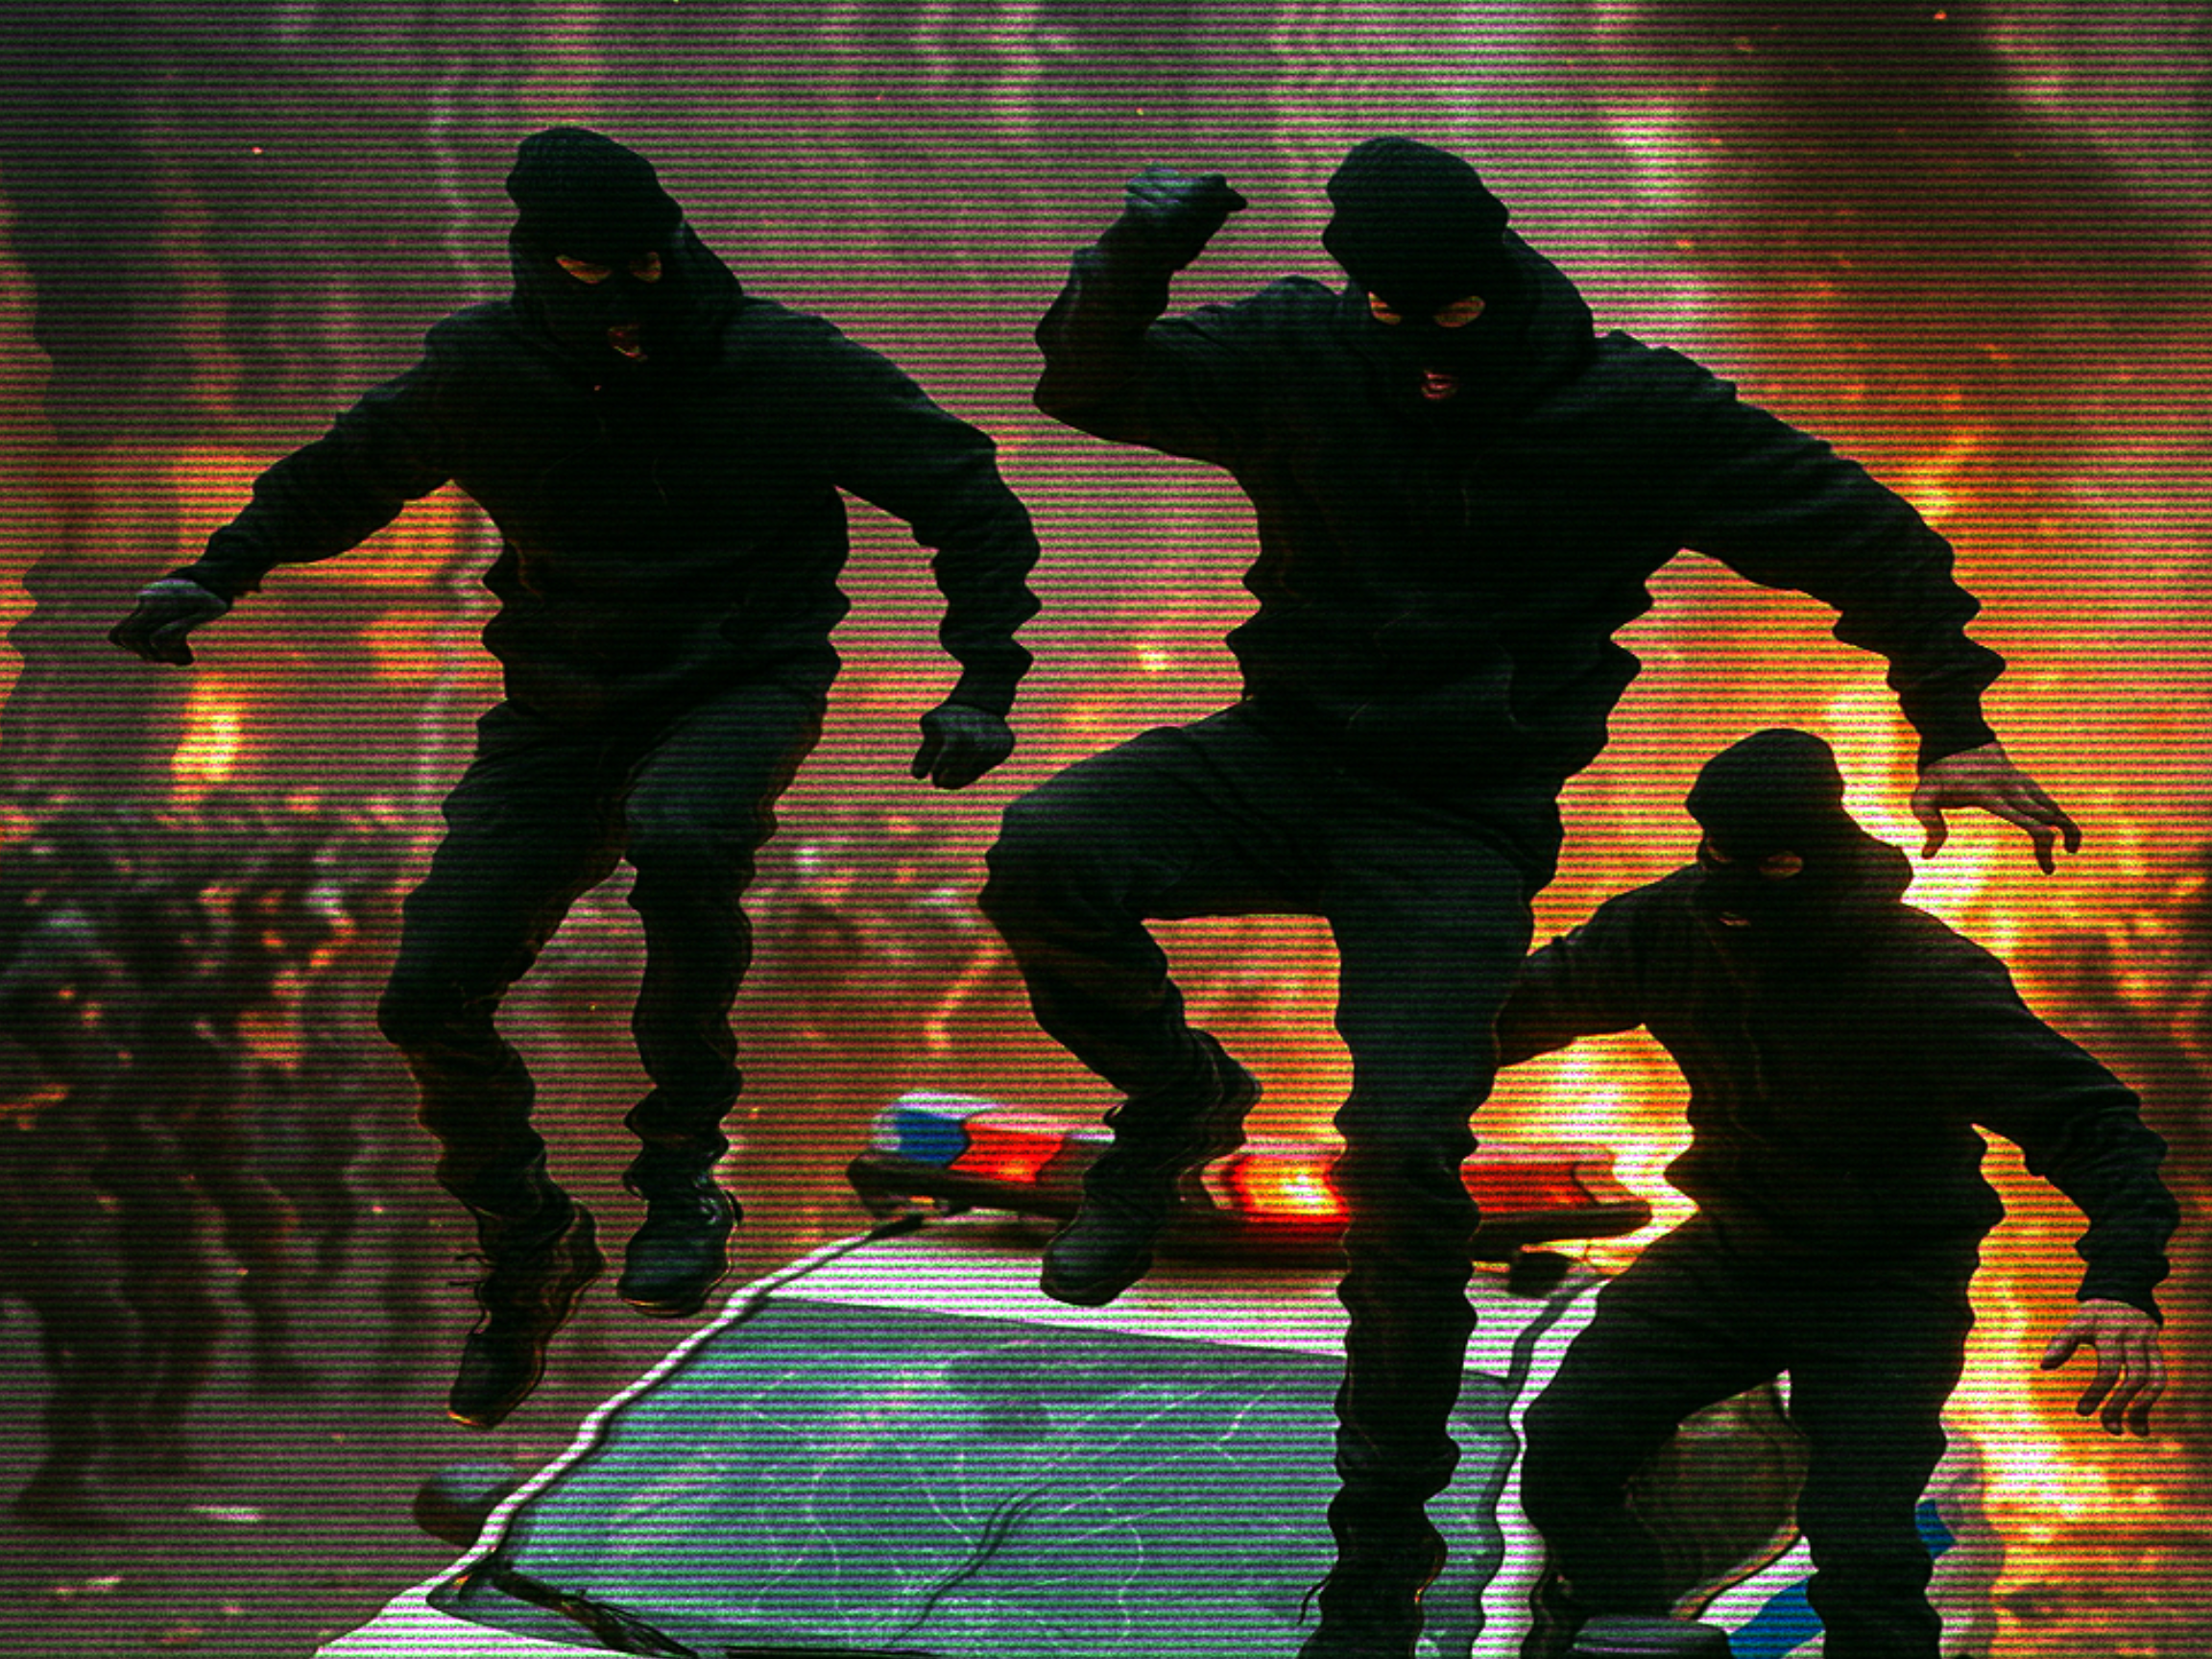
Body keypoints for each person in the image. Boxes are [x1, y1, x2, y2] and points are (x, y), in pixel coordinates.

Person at [979, 136, 2080, 1657]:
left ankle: (1377, 1572)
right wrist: (1136, 253)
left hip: (1451, 820)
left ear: (1499, 274)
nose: (1429, 355)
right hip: (1276, 753)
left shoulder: (1635, 412)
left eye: (1456, 319)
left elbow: (1876, 542)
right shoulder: (1305, 345)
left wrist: (1950, 720)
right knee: (1046, 854)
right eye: (1396, 318)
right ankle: (1175, 1100)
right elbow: (1086, 385)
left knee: (1407, 1144)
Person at [108, 127, 1042, 1430]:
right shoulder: (481, 368)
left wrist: (985, 676)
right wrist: (218, 569)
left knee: (682, 836)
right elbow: (346, 474)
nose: (627, 307)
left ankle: (681, 1174)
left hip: (740, 676)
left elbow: (967, 493)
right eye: (591, 278)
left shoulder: (783, 359)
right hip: (557, 706)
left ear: (675, 245)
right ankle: (529, 1241)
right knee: (429, 992)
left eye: (646, 269)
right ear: (542, 268)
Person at [1495, 729, 2176, 1659]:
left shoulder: (1928, 979)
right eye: (1715, 859)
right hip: (1733, 1252)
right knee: (1566, 1447)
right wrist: (1411, 1049)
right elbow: (1520, 1008)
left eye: (1765, 867)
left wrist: (2119, 1284)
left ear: (1813, 854)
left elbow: (2099, 1128)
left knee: (1860, 1546)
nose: (1730, 890)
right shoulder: (1671, 923)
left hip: (1885, 1286)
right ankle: (1640, 1641)